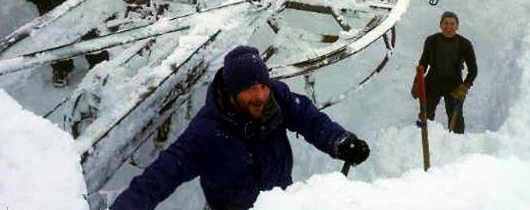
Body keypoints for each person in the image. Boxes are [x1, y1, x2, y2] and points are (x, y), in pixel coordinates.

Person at [111, 45, 370, 210]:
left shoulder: (276, 97)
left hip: (282, 202)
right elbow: (163, 174)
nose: (259, 95)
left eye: (263, 85)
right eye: (249, 88)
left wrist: (339, 141)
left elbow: (309, 119)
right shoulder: (207, 131)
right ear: (233, 91)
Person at [24, 0, 109, 87]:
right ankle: (62, 68)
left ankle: (99, 62)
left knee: (86, 27)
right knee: (55, 34)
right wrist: (52, 16)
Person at [411, 11, 477, 134]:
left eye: (452, 24)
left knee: (455, 117)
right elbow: (423, 64)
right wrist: (417, 82)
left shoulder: (465, 44)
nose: (448, 27)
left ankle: (457, 143)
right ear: (440, 25)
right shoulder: (431, 40)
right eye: (445, 23)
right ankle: (421, 137)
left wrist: (465, 86)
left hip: (454, 84)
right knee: (425, 113)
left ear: (457, 26)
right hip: (433, 81)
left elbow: (473, 70)